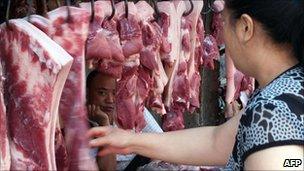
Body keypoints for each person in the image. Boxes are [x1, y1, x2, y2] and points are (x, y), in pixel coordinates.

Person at [87, 1, 304, 170]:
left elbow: (284, 163)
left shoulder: (273, 113)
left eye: (225, 23)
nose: (223, 36)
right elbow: (216, 142)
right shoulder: (285, 89)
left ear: (245, 27)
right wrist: (130, 141)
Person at [86, 70, 163, 171]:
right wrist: (104, 124)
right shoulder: (80, 123)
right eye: (102, 93)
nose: (110, 100)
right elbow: (108, 169)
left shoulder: (130, 106)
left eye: (114, 93)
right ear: (87, 93)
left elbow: (160, 140)